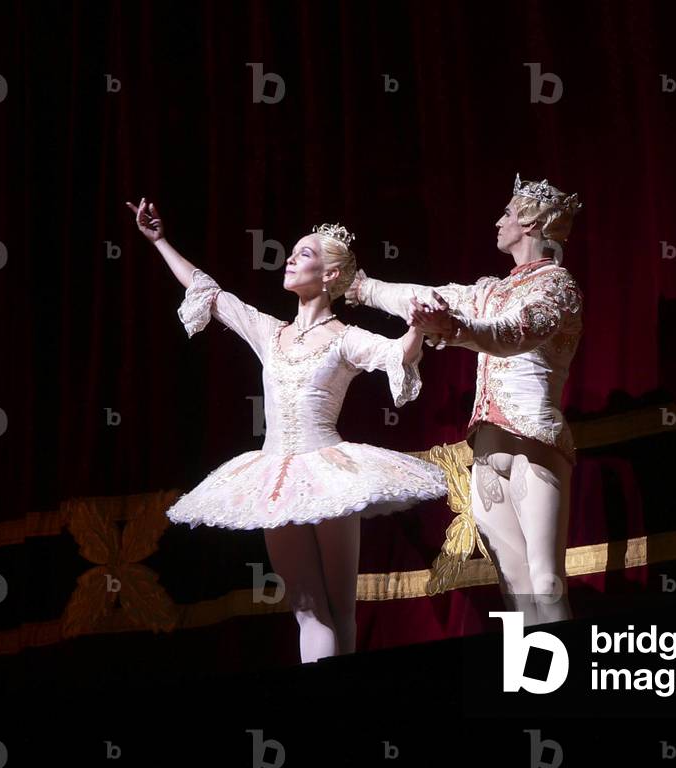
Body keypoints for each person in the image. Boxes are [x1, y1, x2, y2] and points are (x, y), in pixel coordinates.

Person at [125, 197, 447, 662]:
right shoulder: (269, 332)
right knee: (308, 609)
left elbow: (397, 356)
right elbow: (210, 294)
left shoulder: (345, 338)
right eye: (292, 252)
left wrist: (417, 327)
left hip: (330, 471)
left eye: (305, 254)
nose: (291, 259)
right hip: (273, 475)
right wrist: (160, 242)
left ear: (330, 276)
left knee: (341, 609)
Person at [345, 174, 583, 624]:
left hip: (535, 442)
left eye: (508, 213)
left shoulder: (557, 287)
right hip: (490, 451)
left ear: (531, 224)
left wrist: (455, 330)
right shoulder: (489, 290)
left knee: (547, 583)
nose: (499, 220)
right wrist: (363, 288)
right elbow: (426, 296)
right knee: (515, 589)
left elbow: (514, 333)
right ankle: (530, 684)